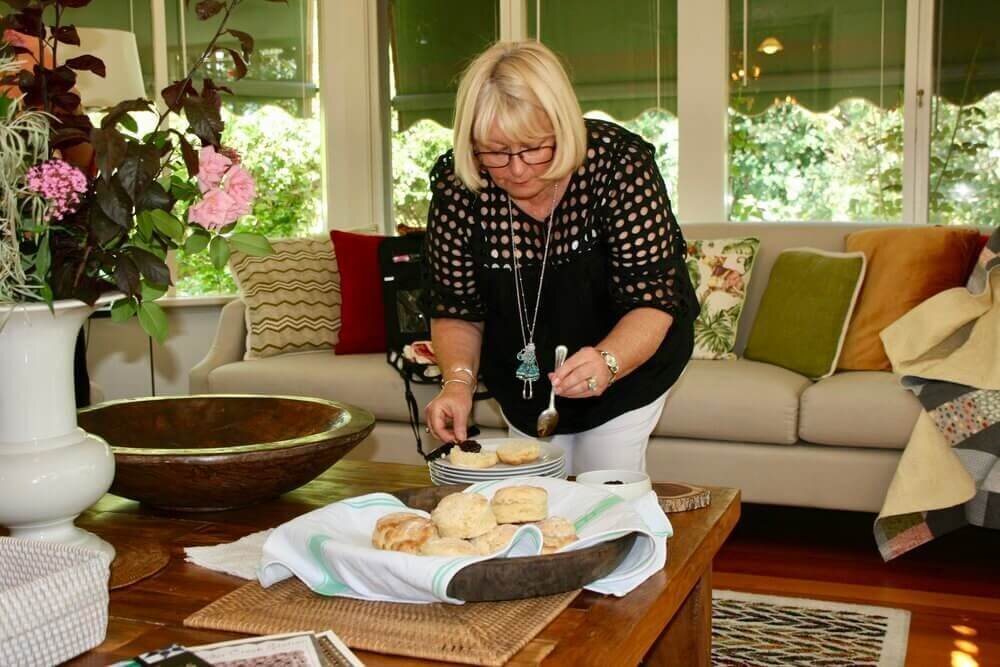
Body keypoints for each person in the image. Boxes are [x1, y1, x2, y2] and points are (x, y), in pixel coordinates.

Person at [423, 41, 698, 474]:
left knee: (606, 490)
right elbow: (456, 306)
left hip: (627, 363)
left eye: (534, 147)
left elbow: (653, 300)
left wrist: (608, 361)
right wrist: (457, 383)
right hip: (524, 381)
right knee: (532, 490)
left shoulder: (617, 167)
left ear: (563, 127)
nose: (516, 169)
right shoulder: (462, 187)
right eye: (495, 152)